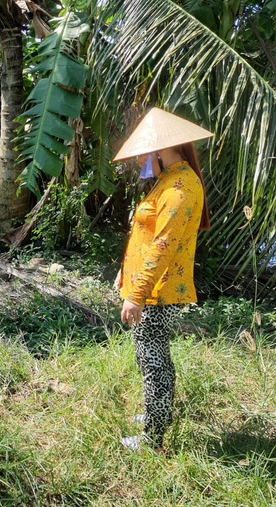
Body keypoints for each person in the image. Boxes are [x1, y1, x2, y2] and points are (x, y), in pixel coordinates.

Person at [113, 107, 213, 452]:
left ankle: (153, 439)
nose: (141, 160)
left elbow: (164, 245)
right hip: (151, 287)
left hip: (160, 292)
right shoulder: (169, 180)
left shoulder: (182, 187)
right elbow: (146, 234)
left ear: (159, 150)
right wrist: (125, 270)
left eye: (143, 153)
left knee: (154, 361)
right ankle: (157, 414)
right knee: (149, 357)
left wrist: (137, 294)